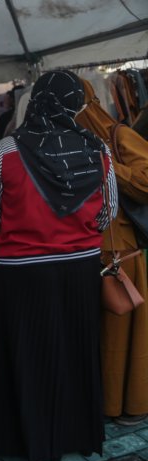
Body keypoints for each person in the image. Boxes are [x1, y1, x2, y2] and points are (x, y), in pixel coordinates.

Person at [0, 70, 117, 461]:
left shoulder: (6, 150)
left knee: (28, 354)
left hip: (23, 273)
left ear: (35, 100)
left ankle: (31, 439)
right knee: (77, 351)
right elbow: (108, 215)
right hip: (80, 268)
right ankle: (78, 432)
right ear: (75, 105)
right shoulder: (98, 150)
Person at [76, 78, 148, 426]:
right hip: (82, 249)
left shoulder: (118, 136)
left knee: (121, 334)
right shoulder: (65, 141)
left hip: (118, 250)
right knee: (99, 336)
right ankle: (101, 403)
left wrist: (105, 164)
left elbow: (146, 180)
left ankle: (127, 404)